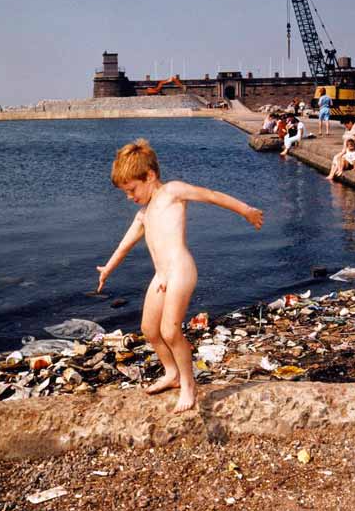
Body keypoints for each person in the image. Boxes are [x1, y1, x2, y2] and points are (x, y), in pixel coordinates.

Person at [97, 139, 263, 412]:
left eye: (132, 189)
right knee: (149, 330)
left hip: (180, 270)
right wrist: (108, 268)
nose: (130, 197)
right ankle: (172, 373)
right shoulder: (143, 213)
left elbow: (211, 195)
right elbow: (124, 245)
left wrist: (246, 211)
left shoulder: (173, 192)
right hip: (161, 276)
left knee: (169, 331)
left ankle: (189, 384)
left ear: (149, 176)